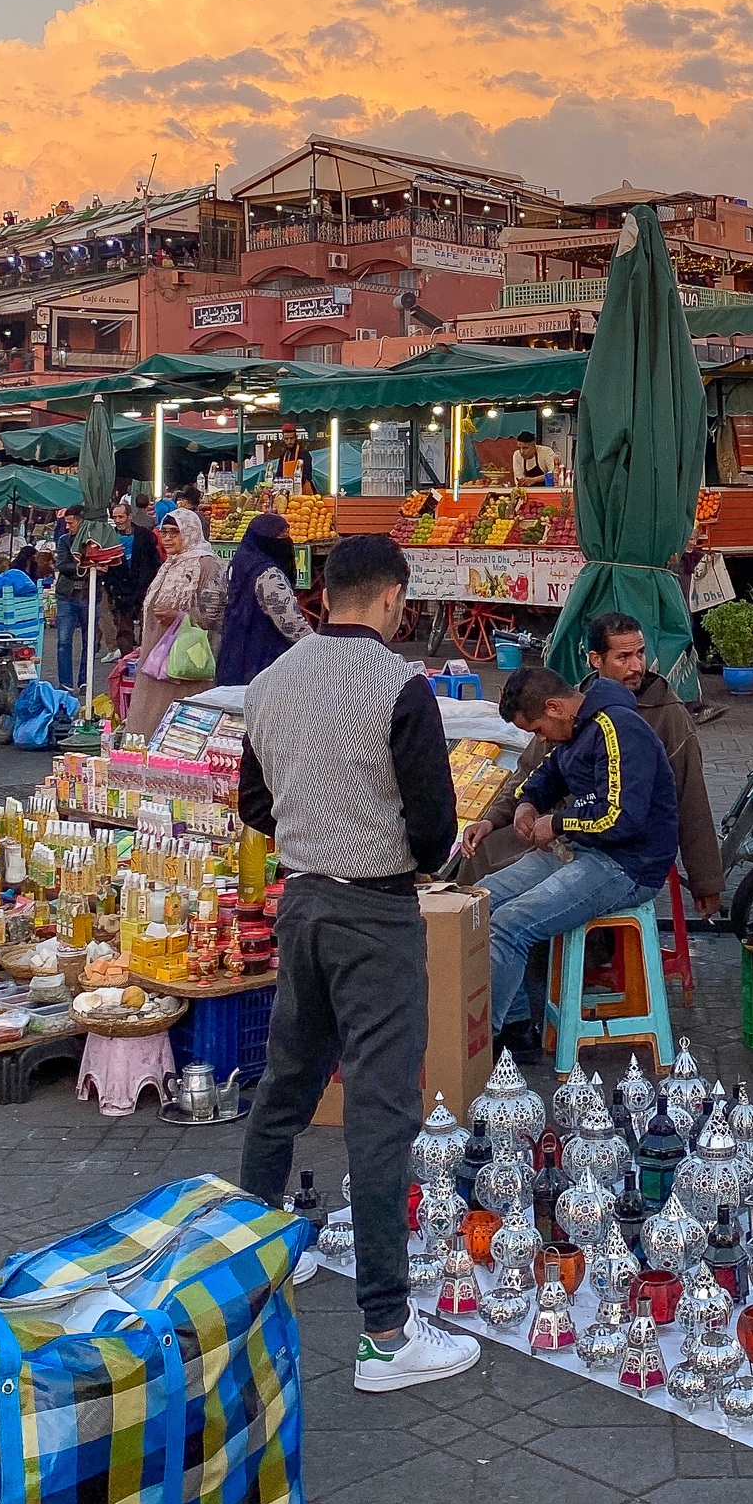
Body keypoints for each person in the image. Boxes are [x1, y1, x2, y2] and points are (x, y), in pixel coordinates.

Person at [236, 533, 477, 1393]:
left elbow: (254, 803)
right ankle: (384, 1330)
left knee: (286, 1086)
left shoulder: (270, 682)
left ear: (323, 595)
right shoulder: (399, 685)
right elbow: (434, 827)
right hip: (377, 912)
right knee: (381, 1112)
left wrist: (317, 830)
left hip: (302, 904)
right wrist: (402, 850)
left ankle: (253, 1262)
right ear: (392, 599)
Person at [458, 610, 724, 919]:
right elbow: (533, 770)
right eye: (623, 657)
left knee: (522, 916)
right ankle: (465, 944)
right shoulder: (569, 705)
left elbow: (691, 798)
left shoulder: (666, 712)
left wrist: (706, 882)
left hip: (621, 848)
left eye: (639, 653)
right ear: (596, 659)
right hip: (566, 833)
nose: (636, 666)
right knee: (483, 861)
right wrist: (498, 816)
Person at [475, 664, 680, 1056]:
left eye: (536, 730)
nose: (539, 738)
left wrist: (558, 822)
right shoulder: (575, 730)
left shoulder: (619, 729)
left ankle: (491, 1041)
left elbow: (621, 819)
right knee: (480, 901)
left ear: (554, 708)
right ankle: (517, 1027)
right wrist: (527, 804)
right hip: (582, 851)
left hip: (626, 865)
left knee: (509, 925)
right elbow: (547, 773)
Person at [123, 507, 227, 737]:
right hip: (156, 654)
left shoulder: (207, 566)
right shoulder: (170, 564)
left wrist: (180, 617)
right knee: (148, 716)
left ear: (189, 532)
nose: (167, 538)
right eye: (164, 532)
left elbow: (215, 613)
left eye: (174, 532)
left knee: (180, 727)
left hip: (185, 658)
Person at [216, 511, 312, 687]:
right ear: (264, 541)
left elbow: (210, 603)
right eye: (280, 537)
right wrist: (316, 646)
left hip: (232, 654)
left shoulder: (233, 565)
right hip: (264, 659)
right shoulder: (270, 575)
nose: (286, 542)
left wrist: (231, 626)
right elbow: (290, 624)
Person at [105, 497, 161, 656]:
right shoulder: (110, 537)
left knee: (147, 626)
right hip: (121, 589)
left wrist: (152, 581)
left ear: (130, 517)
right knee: (124, 630)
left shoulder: (145, 535)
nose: (118, 521)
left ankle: (145, 657)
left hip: (143, 586)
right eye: (115, 517)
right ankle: (127, 659)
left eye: (121, 517)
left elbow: (154, 559)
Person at [51, 506, 90, 693]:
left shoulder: (93, 542)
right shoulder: (64, 541)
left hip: (90, 595)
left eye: (70, 523)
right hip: (66, 596)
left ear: (81, 521)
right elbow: (63, 565)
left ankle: (85, 680)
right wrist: (85, 568)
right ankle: (65, 683)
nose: (67, 527)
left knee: (89, 641)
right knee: (63, 642)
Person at [271, 423, 315, 495]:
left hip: (303, 492)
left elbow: (307, 475)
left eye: (291, 438)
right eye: (286, 439)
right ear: (283, 438)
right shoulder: (283, 455)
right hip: (286, 492)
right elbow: (279, 475)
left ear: (296, 437)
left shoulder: (303, 453)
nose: (289, 441)